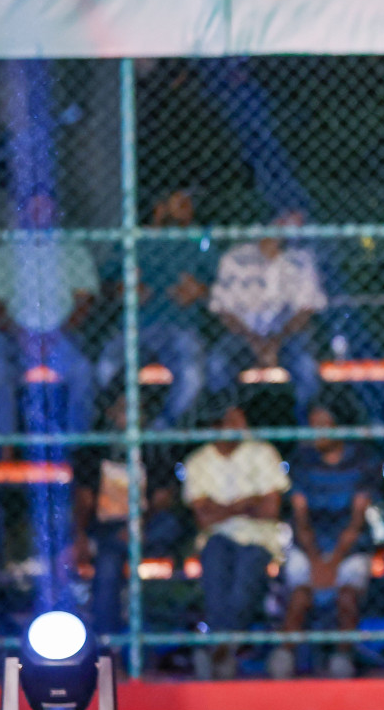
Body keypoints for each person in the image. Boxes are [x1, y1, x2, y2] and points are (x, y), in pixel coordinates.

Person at [181, 397, 290, 679]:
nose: (240, 426)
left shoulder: (263, 452)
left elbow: (270, 509)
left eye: (241, 419)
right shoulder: (199, 461)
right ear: (217, 425)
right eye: (232, 420)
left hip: (260, 539)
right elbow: (203, 519)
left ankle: (220, 649)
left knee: (246, 574)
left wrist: (221, 507)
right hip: (216, 538)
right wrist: (246, 503)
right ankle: (225, 649)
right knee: (216, 570)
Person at [269, 400, 378, 680]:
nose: (317, 432)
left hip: (350, 546)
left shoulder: (362, 460)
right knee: (300, 595)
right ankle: (285, 656)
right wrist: (317, 561)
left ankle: (342, 658)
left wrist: (334, 562)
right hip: (309, 545)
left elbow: (356, 522)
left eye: (324, 425)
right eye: (313, 426)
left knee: (347, 597)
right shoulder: (301, 460)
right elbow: (301, 518)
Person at [0, 193, 99, 438]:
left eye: (45, 209)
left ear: (56, 213)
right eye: (33, 209)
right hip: (15, 337)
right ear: (22, 214)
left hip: (61, 335)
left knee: (83, 372)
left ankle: (75, 446)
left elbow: (84, 303)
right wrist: (23, 336)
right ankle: (6, 445)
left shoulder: (74, 251)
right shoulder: (6, 254)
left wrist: (54, 336)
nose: (39, 216)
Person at [68, 394, 186, 636]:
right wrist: (79, 535)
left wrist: (139, 524)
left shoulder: (155, 448)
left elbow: (165, 499)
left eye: (137, 410)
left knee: (169, 525)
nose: (131, 416)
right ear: (110, 413)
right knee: (109, 562)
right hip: (110, 528)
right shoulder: (95, 449)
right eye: (123, 409)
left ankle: (151, 637)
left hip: (149, 526)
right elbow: (84, 499)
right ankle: (109, 642)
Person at [96, 189, 212, 430]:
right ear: (160, 208)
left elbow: (220, 288)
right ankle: (124, 425)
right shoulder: (135, 239)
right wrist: (122, 289)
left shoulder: (198, 241)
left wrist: (200, 291)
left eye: (189, 204)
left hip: (180, 328)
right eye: (181, 203)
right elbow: (104, 285)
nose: (188, 209)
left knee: (192, 375)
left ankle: (160, 430)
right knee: (107, 366)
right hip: (137, 327)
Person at [207, 209, 327, 417]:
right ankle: (229, 420)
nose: (294, 226)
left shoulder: (301, 259)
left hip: (288, 335)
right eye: (288, 219)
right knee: (216, 364)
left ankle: (306, 429)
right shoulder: (235, 258)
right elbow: (224, 310)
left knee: (306, 366)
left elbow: (306, 309)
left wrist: (275, 341)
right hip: (243, 334)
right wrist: (254, 341)